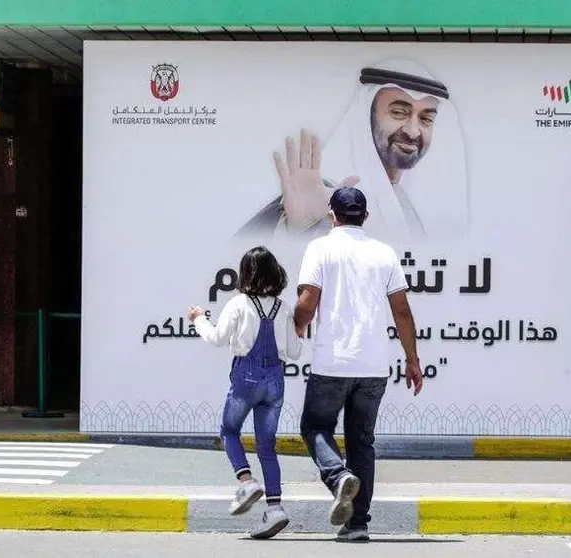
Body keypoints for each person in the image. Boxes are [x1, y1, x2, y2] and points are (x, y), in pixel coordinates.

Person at [292, 186, 424, 542]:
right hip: (374, 367)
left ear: (331, 215)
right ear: (365, 216)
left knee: (315, 427)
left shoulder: (320, 248)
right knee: (362, 442)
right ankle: (358, 523)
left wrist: (296, 330)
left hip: (332, 364)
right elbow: (402, 312)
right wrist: (412, 360)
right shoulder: (384, 253)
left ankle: (337, 476)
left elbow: (307, 303)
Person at [235, 59, 469, 244]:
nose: (413, 131)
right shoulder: (325, 192)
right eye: (399, 113)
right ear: (367, 117)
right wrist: (297, 228)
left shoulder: (410, 204)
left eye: (426, 118)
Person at [188, 246, 302, 540]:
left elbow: (216, 338)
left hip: (246, 378)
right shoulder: (284, 307)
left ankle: (246, 480)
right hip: (276, 379)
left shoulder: (238, 304)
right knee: (267, 446)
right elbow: (294, 352)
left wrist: (199, 318)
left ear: (245, 272)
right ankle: (275, 509)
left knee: (229, 430)